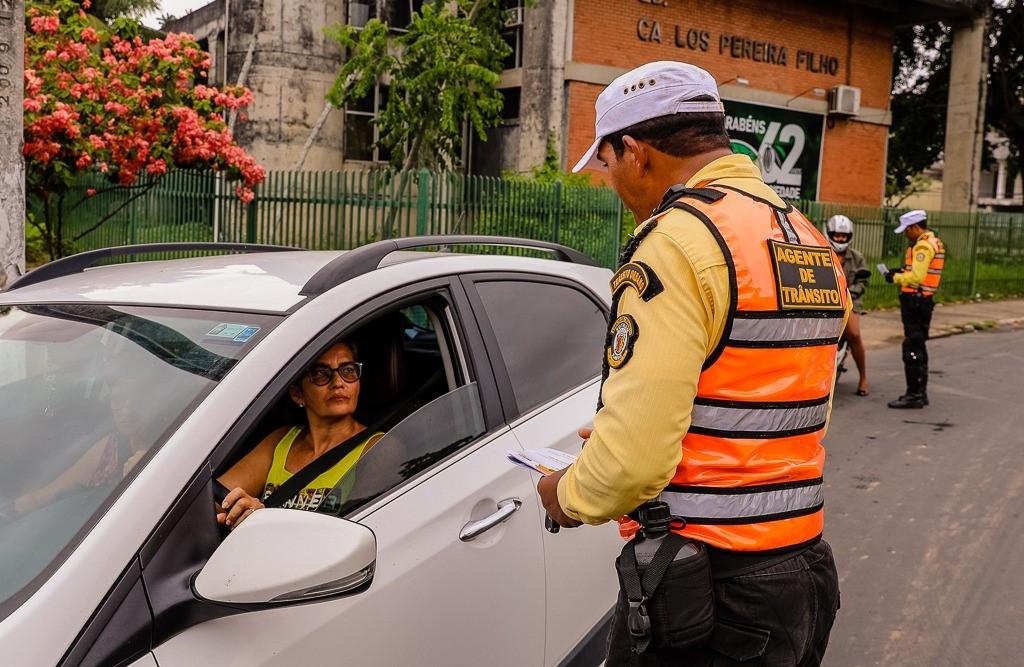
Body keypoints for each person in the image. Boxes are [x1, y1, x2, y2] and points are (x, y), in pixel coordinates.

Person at [535, 61, 847, 666]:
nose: (610, 182)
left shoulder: (679, 242)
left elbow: (631, 467)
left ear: (635, 151)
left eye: (605, 163)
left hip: (711, 593)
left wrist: (565, 494)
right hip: (800, 573)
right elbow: (780, 405)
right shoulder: (801, 237)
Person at [217, 340, 384, 529]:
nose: (338, 383)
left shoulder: (378, 448)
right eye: (320, 373)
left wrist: (263, 520)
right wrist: (241, 509)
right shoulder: (281, 440)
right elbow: (212, 502)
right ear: (297, 394)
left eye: (348, 371)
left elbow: (357, 531)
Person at [882, 209, 944, 409]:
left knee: (912, 346)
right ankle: (920, 393)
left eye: (907, 230)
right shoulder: (933, 242)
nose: (906, 235)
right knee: (919, 345)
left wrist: (895, 278)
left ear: (915, 227)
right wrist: (900, 271)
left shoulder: (923, 246)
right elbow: (918, 272)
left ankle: (914, 395)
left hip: (916, 302)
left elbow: (916, 277)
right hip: (923, 300)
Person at [827, 214, 871, 395]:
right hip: (827, 300)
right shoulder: (822, 252)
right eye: (837, 235)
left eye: (844, 236)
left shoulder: (857, 257)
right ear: (830, 233)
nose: (840, 239)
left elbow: (862, 283)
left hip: (851, 301)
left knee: (854, 333)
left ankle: (863, 378)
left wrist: (849, 294)